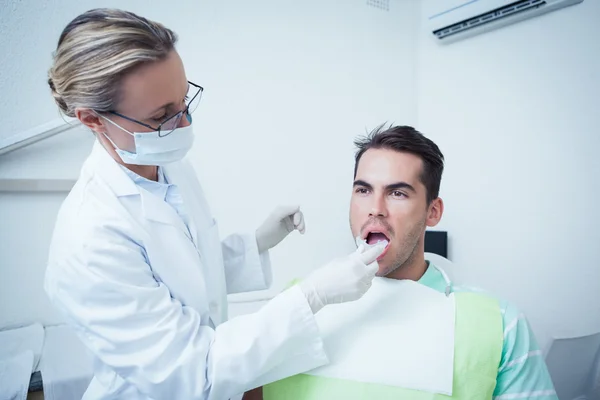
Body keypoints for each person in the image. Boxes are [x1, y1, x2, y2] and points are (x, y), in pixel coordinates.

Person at [43, 8, 387, 400]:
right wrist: (313, 295)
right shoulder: (89, 240)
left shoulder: (167, 164)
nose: (185, 124)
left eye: (184, 100)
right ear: (93, 120)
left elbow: (185, 273)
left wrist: (256, 244)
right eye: (162, 116)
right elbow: (193, 376)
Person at [253, 125, 558, 399]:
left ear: (433, 212)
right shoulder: (295, 303)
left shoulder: (500, 324)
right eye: (363, 190)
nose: (375, 208)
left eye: (397, 193)